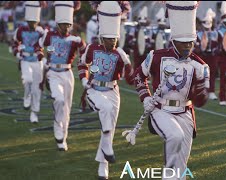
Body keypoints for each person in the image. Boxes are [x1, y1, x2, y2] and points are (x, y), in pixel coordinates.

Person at [133, 1, 209, 179]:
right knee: (175, 136)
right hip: (161, 110)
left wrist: (201, 89)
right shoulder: (156, 57)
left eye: (190, 43)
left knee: (182, 163)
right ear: (173, 40)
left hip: (185, 112)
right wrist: (145, 98)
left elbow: (201, 101)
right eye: (183, 43)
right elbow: (138, 76)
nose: (187, 47)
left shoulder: (201, 65)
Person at [78, 1, 133, 179]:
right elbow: (81, 64)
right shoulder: (92, 48)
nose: (113, 42)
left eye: (115, 38)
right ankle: (107, 149)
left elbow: (130, 75)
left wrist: (130, 67)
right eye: (109, 39)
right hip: (94, 90)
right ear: (102, 38)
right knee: (106, 110)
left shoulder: (120, 53)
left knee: (109, 127)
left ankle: (104, 165)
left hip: (113, 91)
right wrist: (84, 80)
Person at [34, 1, 85, 151]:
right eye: (64, 24)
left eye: (68, 25)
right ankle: (57, 130)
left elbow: (87, 53)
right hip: (53, 73)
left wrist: (82, 49)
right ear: (58, 24)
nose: (66, 27)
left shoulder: (74, 40)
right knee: (59, 99)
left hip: (67, 73)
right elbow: (39, 45)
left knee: (67, 108)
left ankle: (63, 137)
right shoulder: (49, 35)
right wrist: (40, 55)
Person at [12, 1, 47, 123]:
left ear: (37, 21)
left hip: (37, 61)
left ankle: (34, 113)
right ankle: (26, 97)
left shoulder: (41, 31)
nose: (33, 24)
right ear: (27, 21)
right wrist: (17, 52)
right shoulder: (20, 30)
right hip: (25, 59)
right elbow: (15, 43)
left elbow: (48, 44)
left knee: (37, 88)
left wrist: (46, 53)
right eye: (31, 22)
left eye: (35, 22)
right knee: (27, 80)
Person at [194, 8, 218, 100]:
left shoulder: (215, 34)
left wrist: (214, 50)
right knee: (200, 74)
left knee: (212, 74)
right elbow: (195, 45)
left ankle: (211, 91)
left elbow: (217, 45)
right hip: (202, 56)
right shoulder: (197, 34)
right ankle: (200, 91)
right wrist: (198, 48)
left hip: (212, 56)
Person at [127, 6, 151, 70]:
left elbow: (148, 39)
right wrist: (132, 45)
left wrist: (148, 47)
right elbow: (130, 37)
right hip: (136, 48)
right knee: (137, 63)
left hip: (145, 49)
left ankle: (144, 77)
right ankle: (136, 76)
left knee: (144, 63)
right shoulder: (134, 28)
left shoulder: (147, 29)